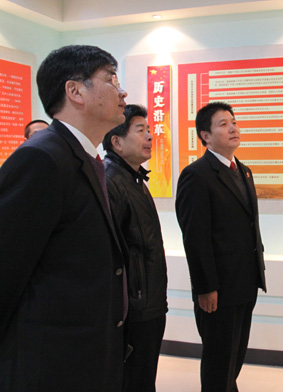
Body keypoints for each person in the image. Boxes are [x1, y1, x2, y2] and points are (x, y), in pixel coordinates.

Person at [0, 45, 128, 391]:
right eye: (111, 79)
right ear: (75, 91)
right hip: (50, 361)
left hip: (85, 353)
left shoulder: (83, 157)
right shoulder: (41, 158)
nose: (122, 92)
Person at [176, 101, 267, 391]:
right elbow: (195, 236)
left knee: (234, 358)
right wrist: (205, 287)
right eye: (223, 124)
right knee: (219, 362)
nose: (233, 128)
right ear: (205, 135)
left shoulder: (244, 171)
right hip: (218, 288)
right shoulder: (197, 175)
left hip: (246, 281)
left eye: (234, 122)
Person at [102, 104, 168, 392]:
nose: (150, 136)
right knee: (133, 381)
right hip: (134, 309)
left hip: (148, 303)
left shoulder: (134, 178)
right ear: (116, 142)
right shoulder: (111, 181)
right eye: (140, 130)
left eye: (149, 130)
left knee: (144, 378)